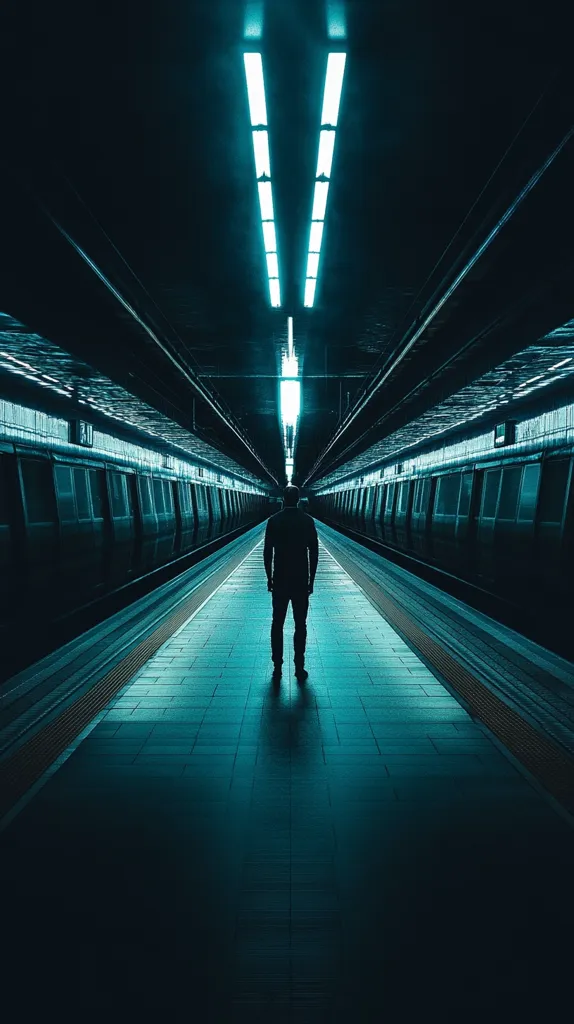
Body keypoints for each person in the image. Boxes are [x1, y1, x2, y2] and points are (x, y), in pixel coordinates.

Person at [264, 484, 319, 682]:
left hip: (279, 579)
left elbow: (267, 552)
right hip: (300, 580)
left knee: (277, 623)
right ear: (297, 499)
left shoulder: (273, 521)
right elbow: (314, 552)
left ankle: (277, 666)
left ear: (283, 499)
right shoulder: (307, 521)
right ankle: (299, 666)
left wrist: (268, 577)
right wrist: (312, 580)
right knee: (300, 625)